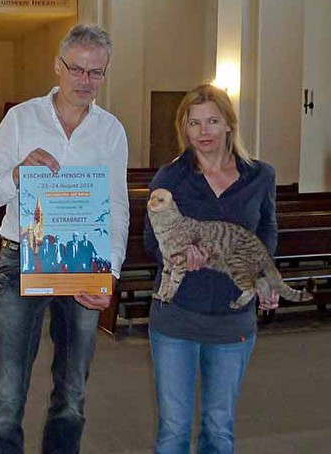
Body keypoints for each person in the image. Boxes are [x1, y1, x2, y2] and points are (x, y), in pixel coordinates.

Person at [0, 23, 129, 453]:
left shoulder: (111, 130)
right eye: (76, 69)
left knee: (73, 389)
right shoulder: (21, 118)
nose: (85, 81)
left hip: (83, 264)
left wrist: (110, 274)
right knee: (6, 390)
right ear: (57, 66)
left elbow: (117, 208)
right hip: (20, 258)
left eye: (96, 73)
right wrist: (20, 175)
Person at [143, 84, 279, 453]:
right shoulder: (170, 178)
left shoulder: (260, 176)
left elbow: (266, 232)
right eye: (194, 123)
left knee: (219, 431)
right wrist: (177, 257)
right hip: (177, 318)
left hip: (232, 321)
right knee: (173, 431)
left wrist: (266, 279)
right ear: (184, 129)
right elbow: (151, 241)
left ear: (229, 125)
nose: (204, 132)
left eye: (213, 121)